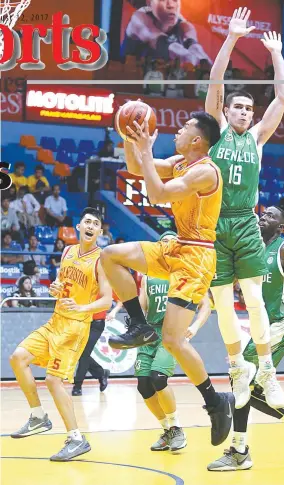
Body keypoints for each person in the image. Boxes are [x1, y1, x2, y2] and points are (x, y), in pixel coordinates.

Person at [100, 111, 236, 448]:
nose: (177, 130)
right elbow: (135, 168)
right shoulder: (180, 161)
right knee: (110, 254)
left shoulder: (205, 172)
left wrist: (146, 152)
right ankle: (139, 324)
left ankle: (215, 402)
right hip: (176, 245)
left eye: (184, 128)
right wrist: (133, 140)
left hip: (197, 256)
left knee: (174, 340)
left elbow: (158, 195)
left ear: (196, 140)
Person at [205, 7, 284, 409]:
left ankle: (268, 370)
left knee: (253, 300)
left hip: (244, 223)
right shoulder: (217, 131)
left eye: (249, 109)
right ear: (226, 111)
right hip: (213, 225)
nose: (244, 112)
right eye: (238, 107)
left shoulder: (256, 139)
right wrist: (232, 38)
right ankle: (237, 366)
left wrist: (275, 53)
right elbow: (216, 81)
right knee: (224, 301)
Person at [206, 207, 284, 470]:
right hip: (261, 327)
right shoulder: (251, 247)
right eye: (263, 214)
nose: (262, 217)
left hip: (281, 324)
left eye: (270, 216)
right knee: (248, 388)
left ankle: (239, 451)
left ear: (281, 228)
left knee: (241, 380)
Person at [9, 207, 112, 461]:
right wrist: (55, 288)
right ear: (79, 226)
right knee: (18, 358)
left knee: (54, 381)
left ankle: (76, 438)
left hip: (75, 327)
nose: (90, 225)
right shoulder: (67, 251)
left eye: (95, 223)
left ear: (99, 231)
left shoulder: (102, 260)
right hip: (55, 321)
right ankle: (38, 416)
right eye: (86, 221)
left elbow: (107, 300)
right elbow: (60, 284)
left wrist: (83, 307)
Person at [135, 231, 210, 452]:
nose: (167, 245)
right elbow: (142, 306)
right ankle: (167, 429)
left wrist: (194, 326)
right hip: (150, 333)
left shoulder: (187, 273)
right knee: (144, 385)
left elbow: (205, 305)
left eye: (171, 242)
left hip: (171, 334)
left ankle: (176, 427)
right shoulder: (148, 275)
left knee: (158, 378)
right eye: (163, 242)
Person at [123, 0, 212, 65]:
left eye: (175, 0)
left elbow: (197, 50)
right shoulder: (139, 18)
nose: (171, 5)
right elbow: (171, 48)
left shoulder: (185, 26)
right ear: (149, 2)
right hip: (132, 80)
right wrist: (196, 61)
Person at [72, 302, 110, 397]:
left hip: (96, 324)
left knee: (83, 353)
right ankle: (101, 373)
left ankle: (78, 385)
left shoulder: (104, 287)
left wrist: (114, 311)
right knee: (79, 353)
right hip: (80, 322)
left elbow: (118, 299)